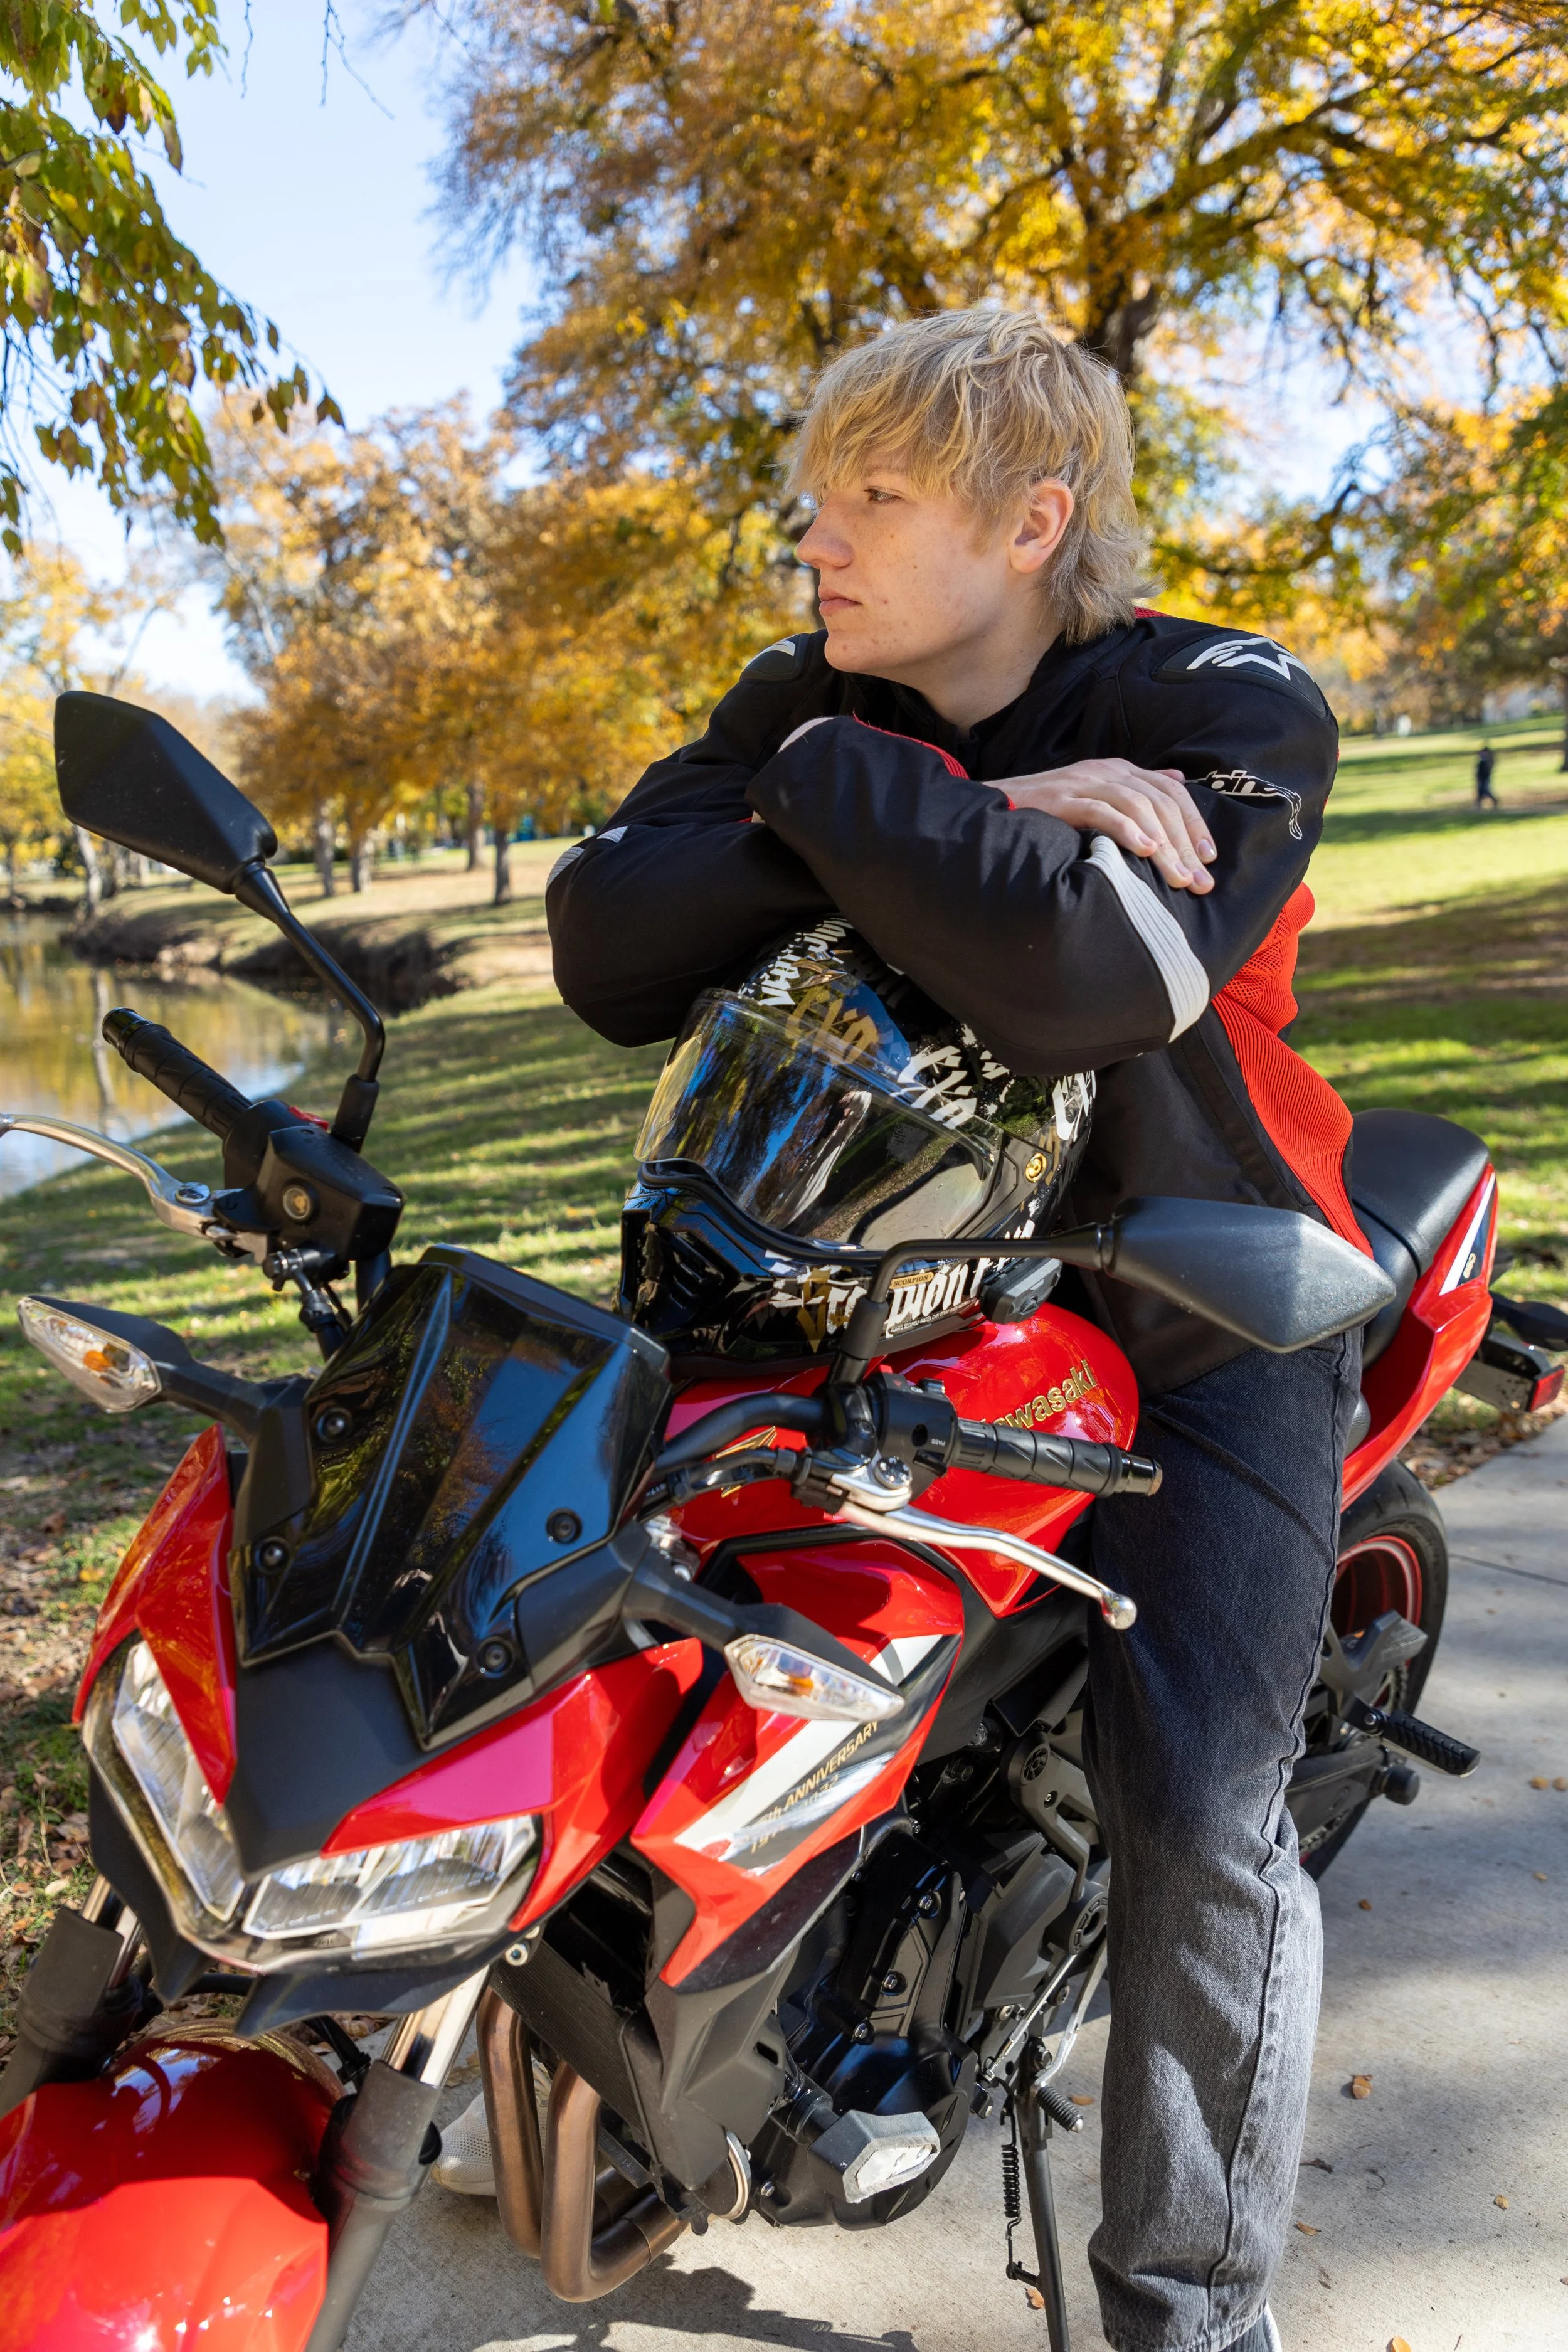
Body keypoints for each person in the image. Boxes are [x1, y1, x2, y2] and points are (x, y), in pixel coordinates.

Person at [541, 309, 1366, 2352]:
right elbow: (602, 942)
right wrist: (929, 792)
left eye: (874, 494)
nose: (811, 535)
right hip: (867, 1282)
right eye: (815, 493)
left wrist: (835, 791)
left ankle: (1194, 2313)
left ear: (1028, 524)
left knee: (1204, 1818)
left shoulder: (1225, 700)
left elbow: (1099, 976)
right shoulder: (805, 692)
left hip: (1197, 1303)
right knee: (596, 1621)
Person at [1475, 742, 1499, 807]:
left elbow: (1485, 770)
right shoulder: (1483, 761)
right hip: (1482, 777)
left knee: (1485, 790)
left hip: (1485, 777)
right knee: (1481, 791)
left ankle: (1494, 801)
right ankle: (1478, 804)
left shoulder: (1486, 762)